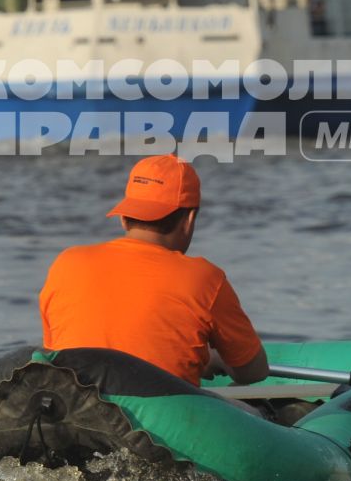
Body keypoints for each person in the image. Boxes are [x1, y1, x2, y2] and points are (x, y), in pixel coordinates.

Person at [38, 154, 269, 388]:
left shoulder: (66, 263)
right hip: (163, 419)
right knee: (262, 407)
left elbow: (56, 349)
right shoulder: (206, 279)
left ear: (124, 220)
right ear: (189, 220)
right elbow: (254, 372)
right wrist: (214, 359)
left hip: (80, 411)